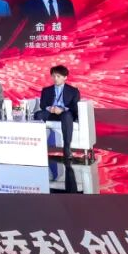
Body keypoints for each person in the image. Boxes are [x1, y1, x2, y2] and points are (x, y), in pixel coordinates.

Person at [34, 65, 82, 194]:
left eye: (58, 76)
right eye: (53, 76)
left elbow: (74, 107)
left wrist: (62, 109)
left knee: (67, 116)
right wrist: (50, 108)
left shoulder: (73, 91)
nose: (55, 78)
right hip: (51, 112)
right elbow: (43, 104)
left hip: (64, 113)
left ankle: (67, 147)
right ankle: (37, 145)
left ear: (65, 77)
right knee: (39, 114)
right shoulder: (46, 90)